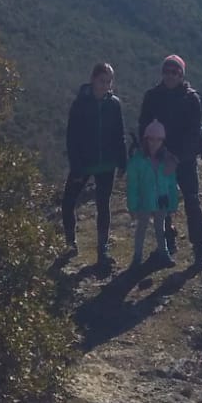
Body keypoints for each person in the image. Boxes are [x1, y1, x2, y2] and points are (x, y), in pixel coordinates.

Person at [137, 54, 202, 266]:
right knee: (162, 202)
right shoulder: (152, 96)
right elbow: (144, 126)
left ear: (181, 75)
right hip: (160, 157)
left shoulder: (191, 99)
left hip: (184, 159)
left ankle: (201, 247)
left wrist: (176, 157)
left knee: (191, 200)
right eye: (167, 71)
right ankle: (166, 242)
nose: (170, 76)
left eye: (174, 72)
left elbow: (194, 135)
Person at [62, 62, 128, 267]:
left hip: (106, 163)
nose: (106, 85)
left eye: (109, 82)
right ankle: (70, 243)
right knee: (68, 202)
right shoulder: (80, 103)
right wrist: (77, 165)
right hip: (84, 162)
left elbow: (119, 134)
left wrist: (122, 161)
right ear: (93, 79)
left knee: (103, 206)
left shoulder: (114, 104)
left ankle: (102, 250)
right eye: (102, 81)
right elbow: (71, 137)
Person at [126, 119, 180, 266]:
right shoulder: (137, 161)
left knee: (160, 229)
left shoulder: (167, 160)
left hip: (162, 200)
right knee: (141, 229)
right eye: (151, 139)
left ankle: (164, 254)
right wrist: (132, 206)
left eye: (158, 139)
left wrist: (173, 204)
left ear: (163, 140)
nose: (154, 142)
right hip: (145, 200)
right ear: (146, 139)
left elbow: (171, 185)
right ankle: (137, 258)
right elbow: (132, 186)